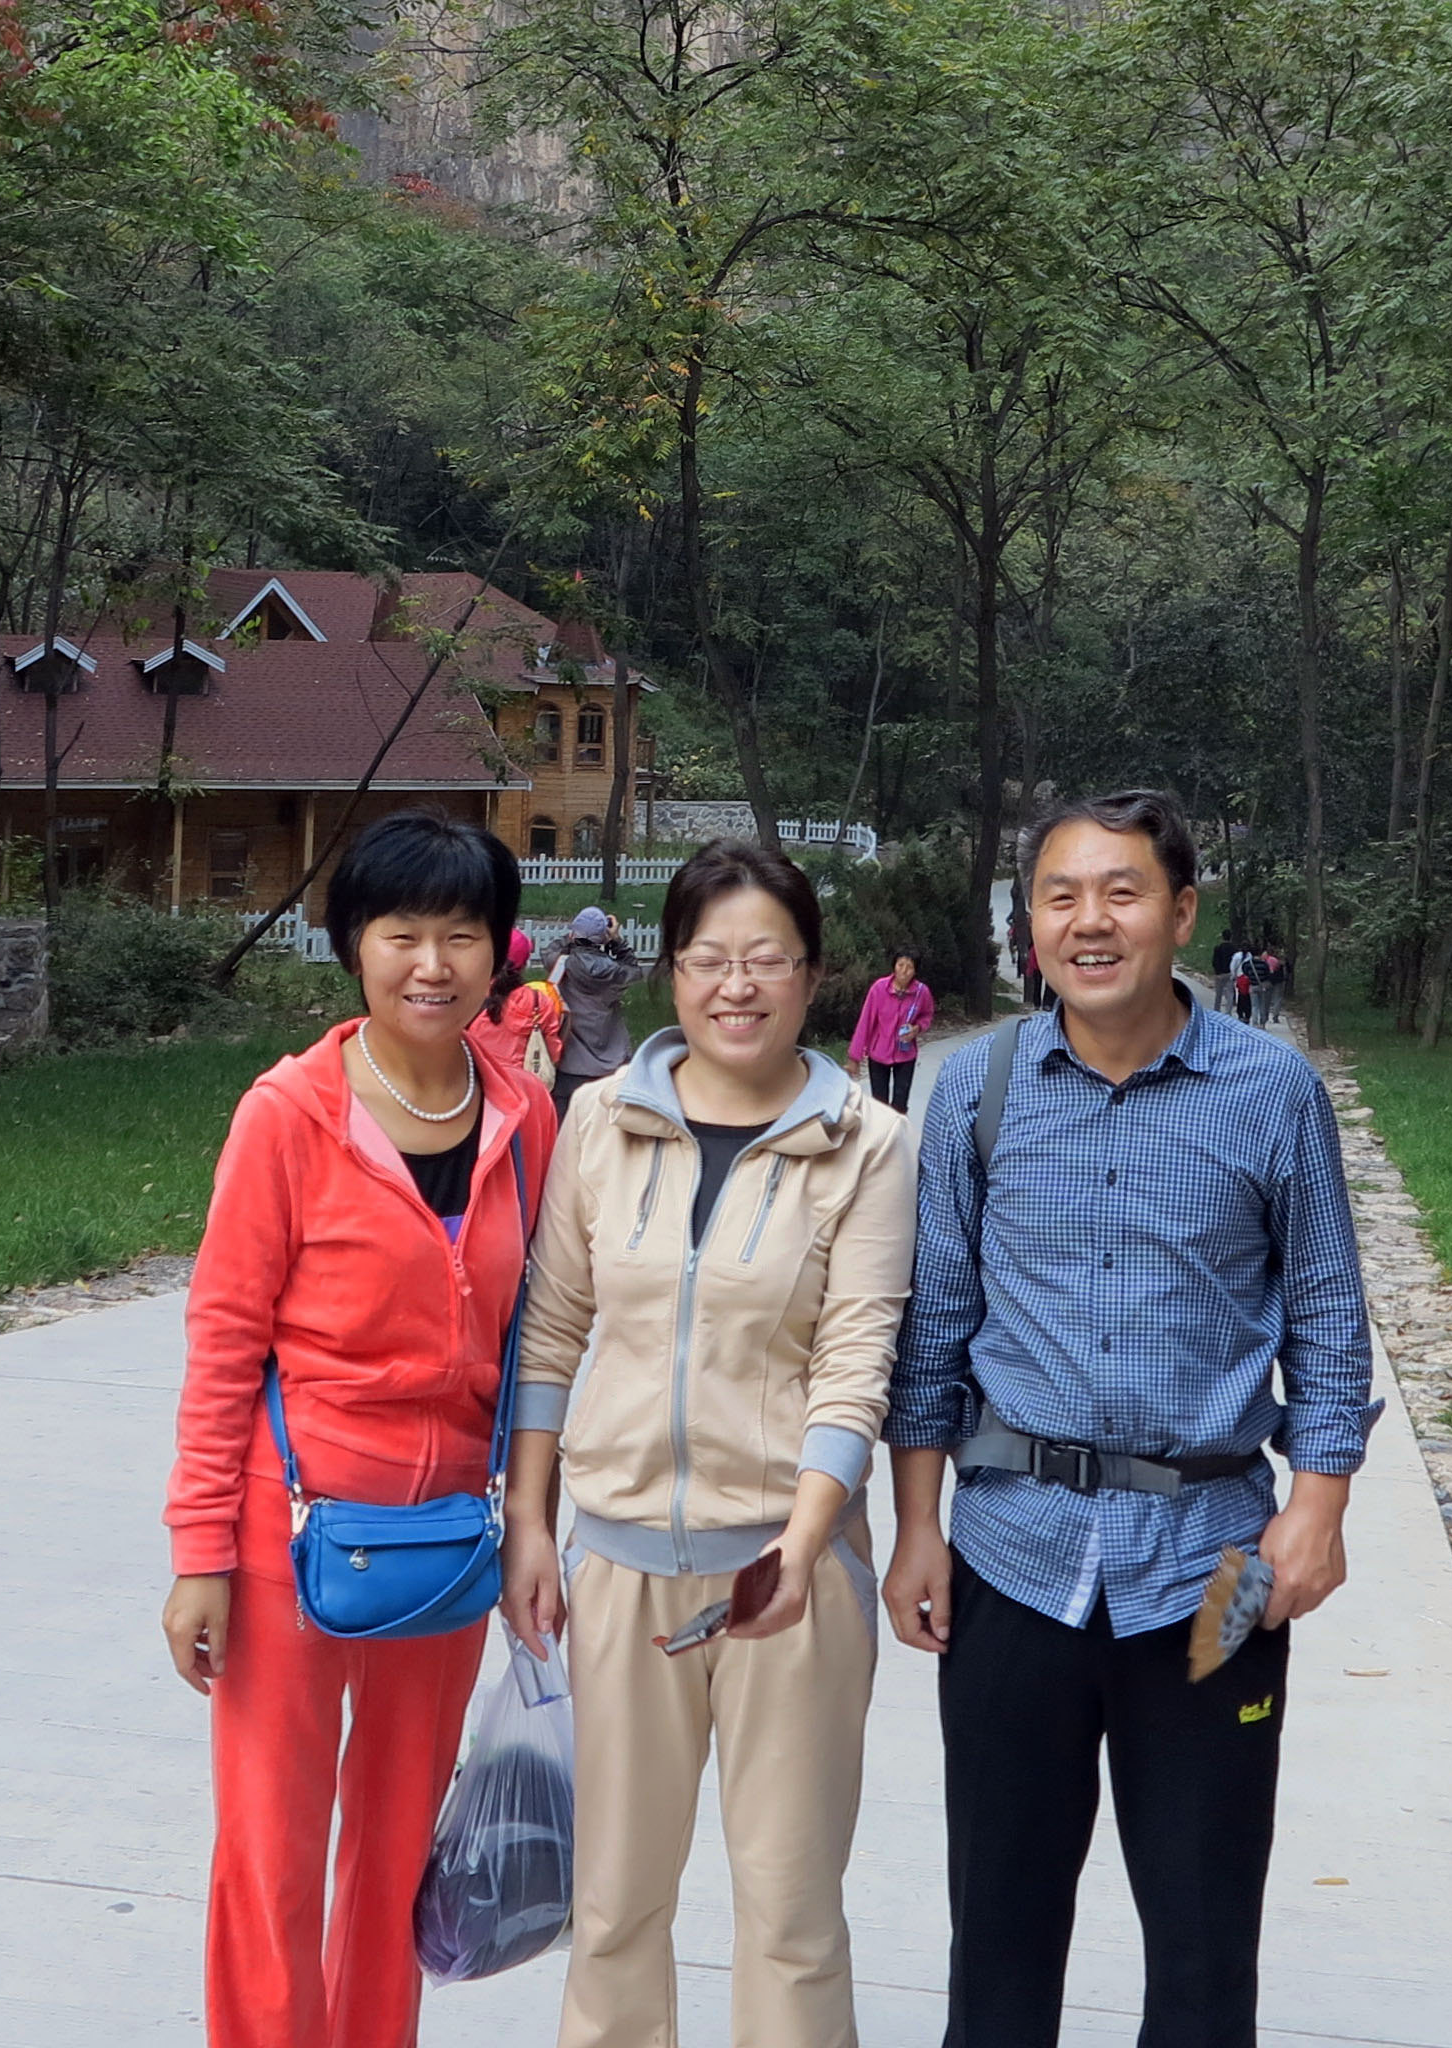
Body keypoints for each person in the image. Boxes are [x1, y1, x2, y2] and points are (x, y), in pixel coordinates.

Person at [883, 788, 1377, 2048]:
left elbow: (1326, 1313)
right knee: (995, 1943)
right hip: (1009, 1559)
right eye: (1059, 895)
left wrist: (1314, 1514)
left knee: (1204, 1949)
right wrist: (917, 1526)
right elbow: (933, 1325)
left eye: (1120, 892)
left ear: (1181, 913)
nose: (1087, 921)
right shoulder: (977, 1089)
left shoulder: (1269, 1093)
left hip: (1214, 1572)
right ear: (1028, 923)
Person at [506, 839, 920, 2048]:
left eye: (766, 960)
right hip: (618, 1566)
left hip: (787, 1580)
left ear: (810, 976)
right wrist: (531, 1525)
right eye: (708, 959)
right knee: (613, 1908)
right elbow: (550, 1330)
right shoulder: (597, 1120)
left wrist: (798, 1547)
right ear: (670, 972)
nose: (736, 986)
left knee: (789, 1915)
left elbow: (856, 1361)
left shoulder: (867, 1143)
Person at [166, 811, 555, 2048]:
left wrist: (530, 1528)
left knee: (394, 1854)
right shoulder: (287, 1114)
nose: (431, 964)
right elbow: (224, 1342)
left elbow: (536, 1338)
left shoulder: (521, 1117)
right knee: (273, 1853)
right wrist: (198, 1557)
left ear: (501, 952)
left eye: (461, 934)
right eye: (401, 933)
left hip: (445, 1537)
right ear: (351, 945)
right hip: (288, 1533)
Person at [551, 901, 644, 1098]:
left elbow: (550, 949)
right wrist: (615, 941)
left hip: (569, 1063)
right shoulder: (612, 970)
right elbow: (634, 971)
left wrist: (573, 937)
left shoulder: (561, 963)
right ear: (602, 937)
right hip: (609, 1065)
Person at [849, 948, 936, 1110]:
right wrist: (855, 1057)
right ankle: (882, 1134)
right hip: (878, 1054)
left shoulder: (922, 992)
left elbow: (927, 1015)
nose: (904, 971)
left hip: (905, 1055)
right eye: (900, 965)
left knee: (900, 1104)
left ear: (915, 971)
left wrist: (916, 1028)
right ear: (894, 966)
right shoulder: (879, 989)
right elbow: (865, 1022)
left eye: (909, 967)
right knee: (879, 1104)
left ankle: (897, 1134)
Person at [502, 957, 569, 1089]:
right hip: (531, 1078)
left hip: (495, 1079)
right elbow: (552, 1044)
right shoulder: (539, 999)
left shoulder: (482, 1005)